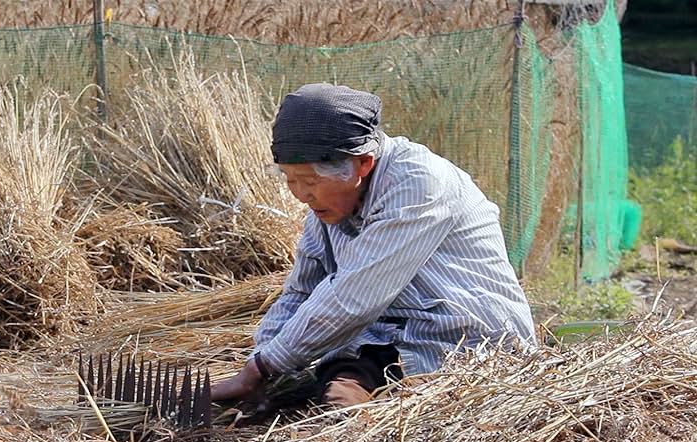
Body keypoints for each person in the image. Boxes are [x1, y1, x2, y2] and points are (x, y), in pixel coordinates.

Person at [211, 83, 536, 407]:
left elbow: (353, 296)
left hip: (466, 343)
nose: (301, 195)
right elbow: (300, 292)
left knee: (405, 395)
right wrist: (260, 363)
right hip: (383, 345)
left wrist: (264, 367)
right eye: (290, 179)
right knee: (337, 386)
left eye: (310, 181)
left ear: (363, 164)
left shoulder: (418, 184)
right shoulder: (326, 211)